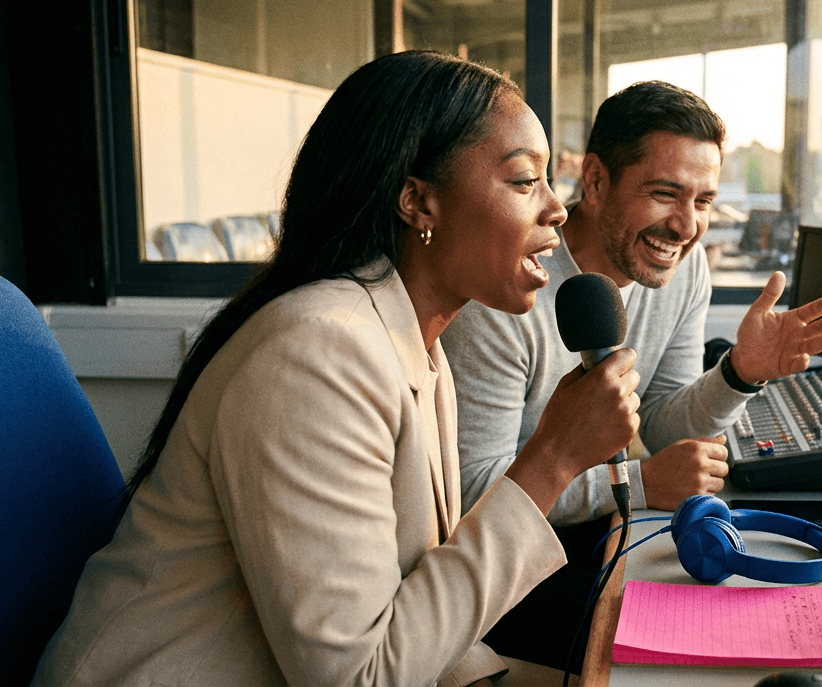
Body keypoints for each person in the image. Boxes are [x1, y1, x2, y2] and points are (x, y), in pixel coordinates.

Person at [32, 51, 640, 687]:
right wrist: (551, 462)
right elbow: (359, 677)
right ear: (418, 201)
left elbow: (418, 598)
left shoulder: (419, 344)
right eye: (523, 182)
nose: (557, 208)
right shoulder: (316, 354)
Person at [439, 80, 822, 668]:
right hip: (505, 567)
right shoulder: (505, 291)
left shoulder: (681, 271)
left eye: (703, 201)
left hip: (601, 527)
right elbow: (474, 491)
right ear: (597, 182)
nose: (686, 226)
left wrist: (737, 373)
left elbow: (657, 420)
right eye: (665, 194)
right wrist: (641, 483)